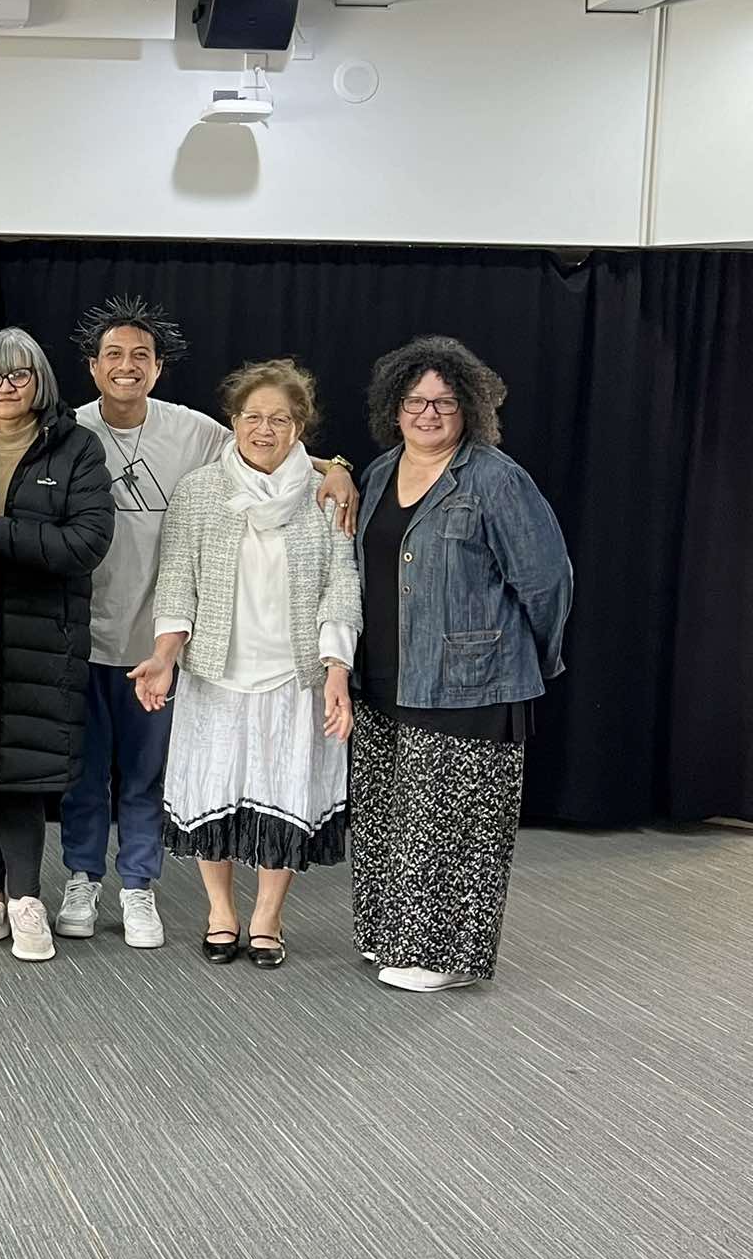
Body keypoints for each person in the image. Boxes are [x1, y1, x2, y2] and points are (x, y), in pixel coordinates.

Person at [59, 297, 358, 952]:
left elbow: (275, 451)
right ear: (93, 366)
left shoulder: (195, 432)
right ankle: (81, 879)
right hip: (83, 636)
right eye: (114, 354)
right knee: (85, 776)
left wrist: (335, 468)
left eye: (141, 355)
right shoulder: (68, 428)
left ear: (160, 368)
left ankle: (139, 887)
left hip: (166, 646)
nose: (127, 366)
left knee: (146, 778)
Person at [350, 337, 571, 993]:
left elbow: (547, 580)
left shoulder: (496, 479)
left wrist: (531, 660)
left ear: (469, 409)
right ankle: (388, 933)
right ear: (395, 407)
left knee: (451, 825)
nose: (428, 413)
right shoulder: (378, 472)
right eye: (416, 401)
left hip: (472, 686)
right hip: (386, 678)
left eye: (444, 403)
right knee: (390, 814)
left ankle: (443, 956)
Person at [132, 361, 361, 969]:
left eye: (279, 419)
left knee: (283, 788)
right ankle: (220, 911)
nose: (264, 429)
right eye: (253, 417)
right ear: (232, 422)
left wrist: (337, 668)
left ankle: (267, 916)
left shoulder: (326, 492)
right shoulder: (200, 490)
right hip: (215, 672)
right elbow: (177, 581)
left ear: (299, 425)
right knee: (216, 790)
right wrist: (164, 653)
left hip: (295, 675)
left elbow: (343, 582)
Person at [0, 328, 115, 963]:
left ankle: (25, 900)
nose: (3, 388)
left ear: (39, 380)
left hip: (41, 639)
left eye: (17, 376)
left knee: (22, 773)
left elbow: (86, 544)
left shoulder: (77, 448)